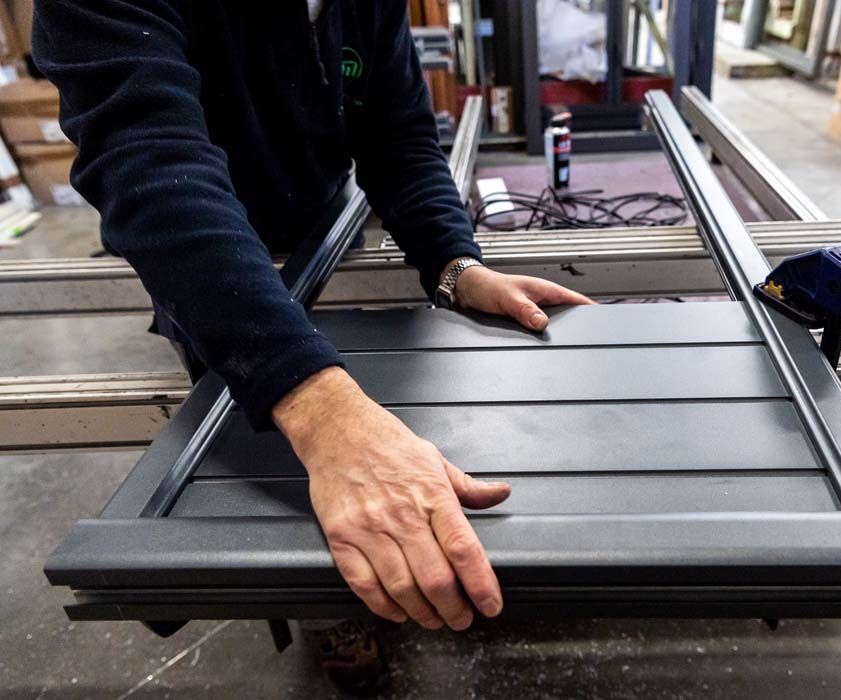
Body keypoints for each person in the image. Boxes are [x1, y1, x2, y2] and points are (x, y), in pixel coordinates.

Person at [33, 0, 592, 688]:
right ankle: (331, 607)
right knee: (275, 452)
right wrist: (315, 403)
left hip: (321, 221)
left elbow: (400, 138)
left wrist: (455, 264)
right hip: (205, 253)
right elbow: (146, 163)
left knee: (378, 419)